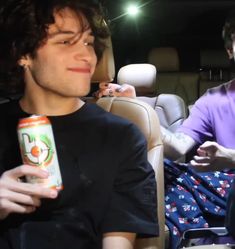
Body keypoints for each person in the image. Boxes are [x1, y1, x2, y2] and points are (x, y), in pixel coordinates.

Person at [0, 1, 158, 248]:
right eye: (65, 41)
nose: (87, 55)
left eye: (88, 42)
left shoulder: (122, 136)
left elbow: (118, 242)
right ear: (23, 54)